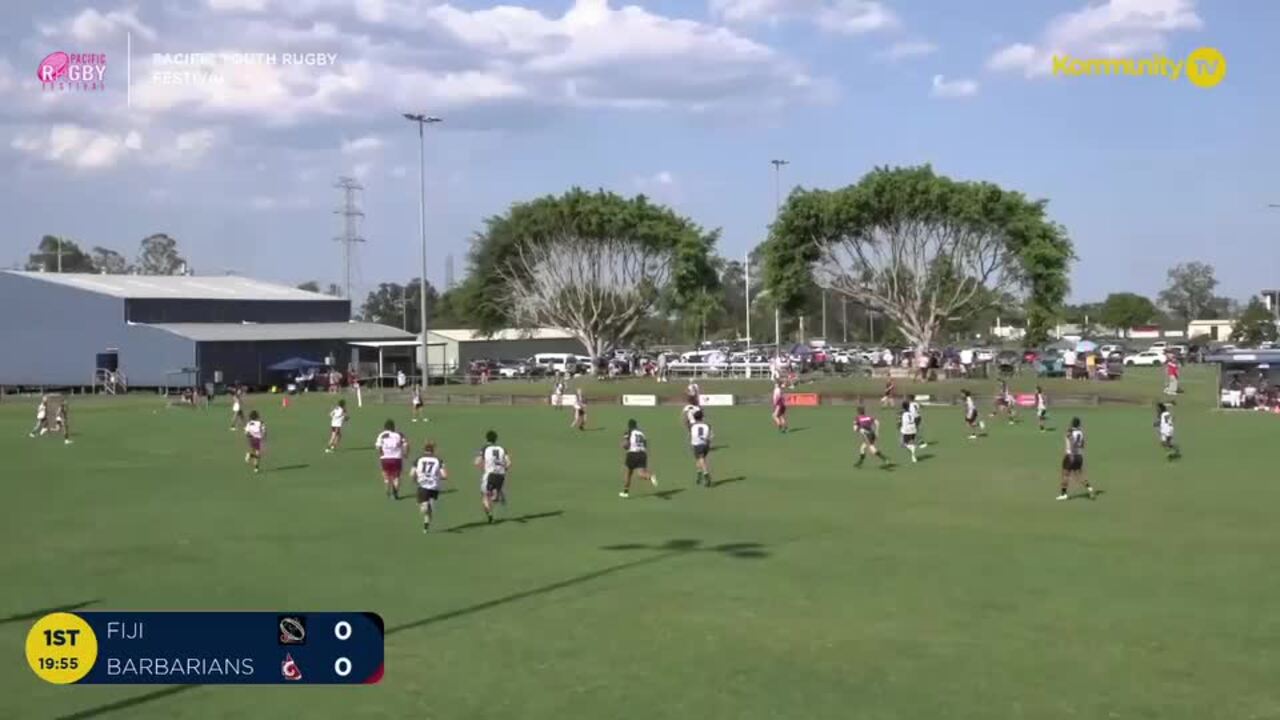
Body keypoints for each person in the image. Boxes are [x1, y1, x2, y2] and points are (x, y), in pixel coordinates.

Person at [475, 430, 510, 522]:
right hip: (501, 475)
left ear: (486, 438)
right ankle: (497, 493)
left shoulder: (485, 448)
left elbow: (477, 462)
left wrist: (484, 469)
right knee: (492, 495)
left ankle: (490, 515)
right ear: (496, 439)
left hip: (489, 474)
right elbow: (509, 463)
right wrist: (502, 470)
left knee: (484, 496)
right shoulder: (502, 448)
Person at [411, 441, 447, 533]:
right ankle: (426, 527)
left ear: (424, 450)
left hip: (422, 486)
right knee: (429, 511)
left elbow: (412, 473)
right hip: (434, 487)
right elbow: (444, 475)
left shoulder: (418, 459)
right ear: (433, 450)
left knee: (424, 508)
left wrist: (415, 479)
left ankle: (425, 506)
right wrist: (437, 477)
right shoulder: (438, 460)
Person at [1057, 417, 1095, 500]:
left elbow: (1071, 442)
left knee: (1065, 475)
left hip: (1071, 456)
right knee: (1079, 475)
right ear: (1079, 424)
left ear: (1071, 423)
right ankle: (1090, 489)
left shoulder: (1070, 432)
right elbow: (1082, 445)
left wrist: (1071, 454)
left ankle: (1064, 494)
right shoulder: (1080, 433)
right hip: (1079, 456)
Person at [619, 419, 657, 498]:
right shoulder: (641, 433)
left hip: (632, 453)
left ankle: (625, 492)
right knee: (641, 473)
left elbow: (626, 444)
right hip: (642, 454)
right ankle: (650, 476)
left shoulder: (629, 431)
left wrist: (623, 446)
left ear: (629, 425)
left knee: (628, 473)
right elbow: (645, 444)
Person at [374, 419, 407, 500]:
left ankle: (387, 489)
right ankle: (395, 492)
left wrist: (381, 453)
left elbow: (378, 446)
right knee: (396, 477)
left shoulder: (382, 435)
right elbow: (406, 444)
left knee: (386, 475)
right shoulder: (399, 434)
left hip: (385, 458)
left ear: (385, 427)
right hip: (397, 458)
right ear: (393, 427)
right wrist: (405, 453)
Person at [690, 410, 713, 487]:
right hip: (706, 444)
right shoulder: (707, 425)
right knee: (699, 460)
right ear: (702, 417)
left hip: (697, 444)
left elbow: (693, 435)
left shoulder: (692, 426)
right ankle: (699, 474)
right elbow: (711, 435)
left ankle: (706, 475)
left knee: (701, 459)